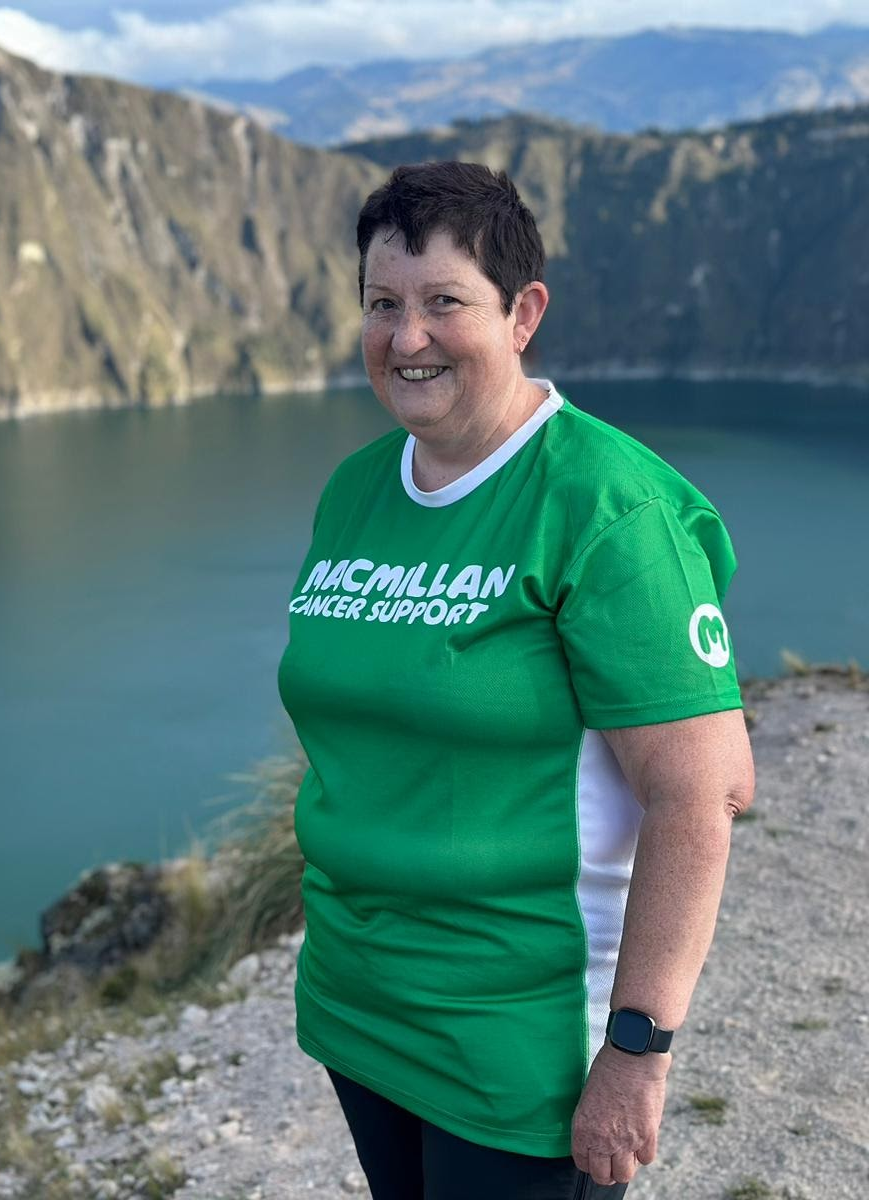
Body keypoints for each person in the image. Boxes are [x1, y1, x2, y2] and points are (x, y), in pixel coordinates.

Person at [275, 160, 756, 1200]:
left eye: (445, 301)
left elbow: (701, 792)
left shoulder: (604, 504)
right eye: (382, 304)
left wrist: (636, 1052)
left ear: (522, 312)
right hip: (360, 1008)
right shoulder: (357, 490)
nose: (406, 338)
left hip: (519, 1040)